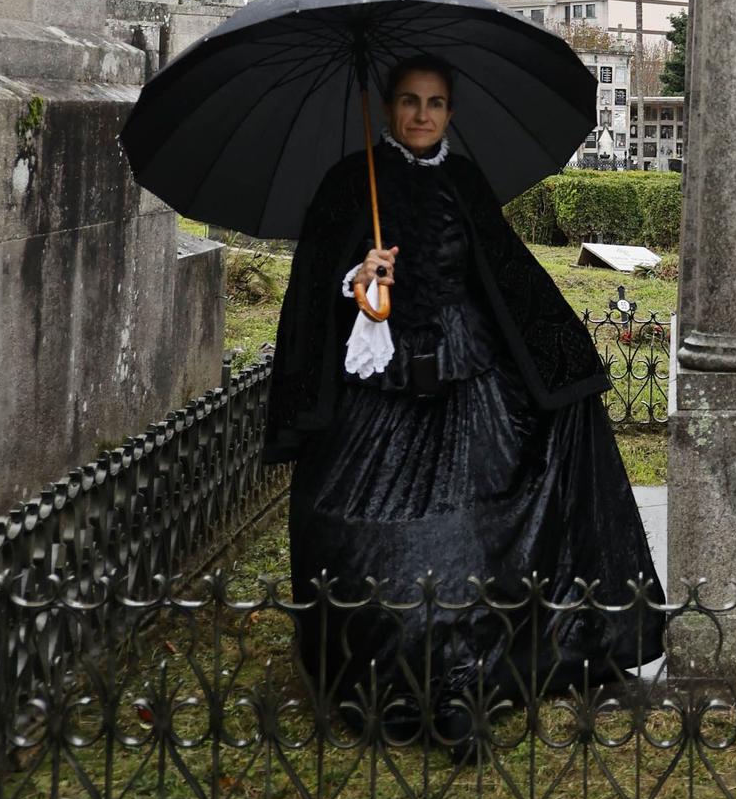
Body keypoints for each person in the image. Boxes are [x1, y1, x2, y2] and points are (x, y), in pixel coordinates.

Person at [263, 55, 665, 743]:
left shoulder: (464, 179)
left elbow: (505, 274)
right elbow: (313, 290)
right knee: (364, 534)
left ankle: (464, 683)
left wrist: (559, 364)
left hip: (467, 382)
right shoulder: (347, 184)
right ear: (389, 107)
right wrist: (359, 278)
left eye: (437, 103)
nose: (422, 115)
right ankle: (390, 689)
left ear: (451, 113)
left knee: (468, 538)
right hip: (377, 389)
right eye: (411, 102)